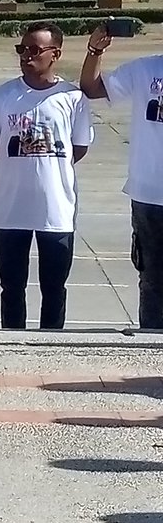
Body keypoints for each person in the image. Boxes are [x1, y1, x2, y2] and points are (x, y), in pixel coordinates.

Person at [0, 22, 92, 330]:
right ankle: (11, 342)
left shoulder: (73, 98)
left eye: (34, 50)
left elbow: (78, 149)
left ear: (55, 54)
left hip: (55, 210)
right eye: (22, 49)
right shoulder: (2, 97)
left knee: (54, 289)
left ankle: (50, 346)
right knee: (12, 288)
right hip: (10, 210)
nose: (26, 56)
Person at [80, 21, 163, 328]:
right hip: (149, 194)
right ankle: (151, 343)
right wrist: (94, 51)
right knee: (153, 278)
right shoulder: (144, 70)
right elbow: (92, 88)